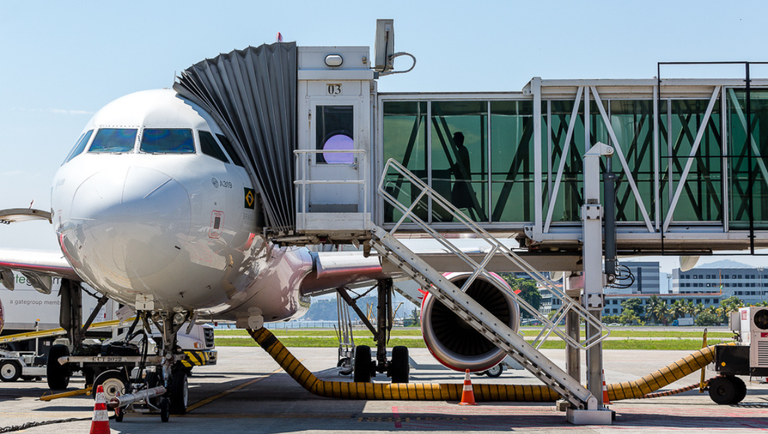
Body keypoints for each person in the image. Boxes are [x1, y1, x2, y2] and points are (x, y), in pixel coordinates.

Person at [450, 132, 477, 217]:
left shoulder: (462, 151)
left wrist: (449, 170)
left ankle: (449, 217)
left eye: (454, 139)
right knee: (469, 200)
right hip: (463, 179)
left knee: (454, 199)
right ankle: (482, 216)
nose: (453, 141)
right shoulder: (462, 150)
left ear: (458, 140)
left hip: (462, 180)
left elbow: (459, 165)